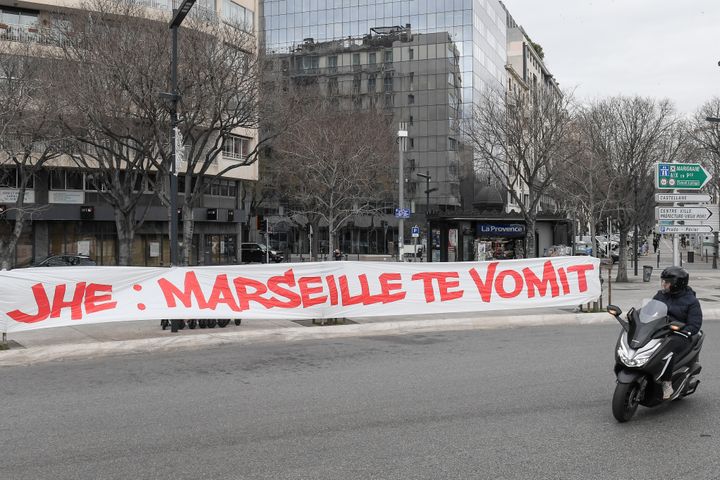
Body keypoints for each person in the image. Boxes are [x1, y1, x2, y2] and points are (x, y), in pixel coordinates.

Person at [652, 266, 703, 399]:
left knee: (668, 349)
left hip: (679, 335)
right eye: (663, 281)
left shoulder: (691, 301)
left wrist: (684, 331)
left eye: (667, 282)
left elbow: (695, 324)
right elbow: (650, 309)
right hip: (661, 330)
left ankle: (666, 382)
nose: (664, 284)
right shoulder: (661, 295)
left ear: (676, 284)